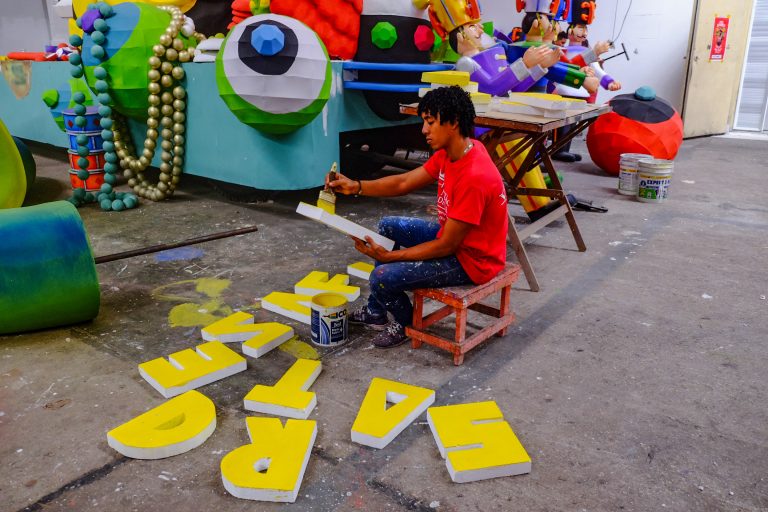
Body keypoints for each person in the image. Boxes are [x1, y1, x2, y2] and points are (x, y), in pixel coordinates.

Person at [326, 87, 509, 349]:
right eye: (424, 121)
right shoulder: (452, 153)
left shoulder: (474, 177)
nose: (423, 129)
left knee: (382, 276)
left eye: (430, 122)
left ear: (454, 122)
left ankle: (406, 322)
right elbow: (403, 182)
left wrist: (390, 257)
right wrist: (356, 186)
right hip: (455, 240)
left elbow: (447, 246)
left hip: (472, 260)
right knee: (388, 226)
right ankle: (376, 312)